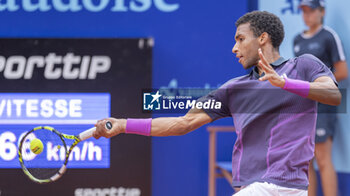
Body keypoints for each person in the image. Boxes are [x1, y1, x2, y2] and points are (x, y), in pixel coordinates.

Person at [93, 11, 341, 195]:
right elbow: (183, 122)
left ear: (263, 38)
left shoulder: (304, 65)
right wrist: (124, 124)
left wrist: (286, 83)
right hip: (252, 187)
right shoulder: (233, 90)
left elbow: (332, 94)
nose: (234, 48)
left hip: (282, 187)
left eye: (240, 39)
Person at [293, 0, 348, 195]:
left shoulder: (329, 36)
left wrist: (316, 84)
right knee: (306, 161)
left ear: (322, 12)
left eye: (311, 10)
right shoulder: (297, 40)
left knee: (323, 159)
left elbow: (342, 71)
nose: (307, 15)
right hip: (303, 109)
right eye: (304, 11)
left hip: (324, 107)